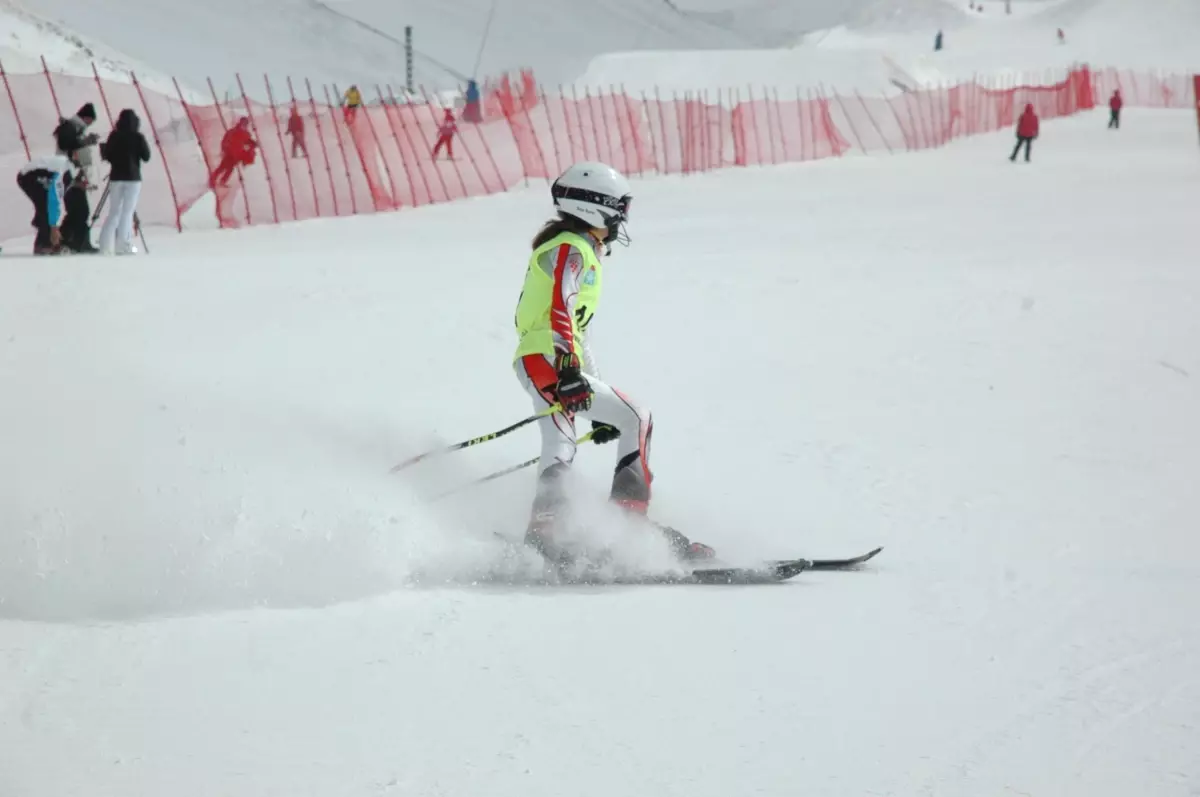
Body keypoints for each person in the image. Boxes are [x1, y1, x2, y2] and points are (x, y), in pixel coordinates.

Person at [511, 161, 715, 567]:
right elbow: (560, 307)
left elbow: (576, 330)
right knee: (595, 430)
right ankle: (565, 530)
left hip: (552, 358)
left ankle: (594, 526)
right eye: (619, 207)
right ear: (595, 207)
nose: (623, 217)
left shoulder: (580, 248)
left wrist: (587, 383)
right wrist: (569, 371)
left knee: (614, 423)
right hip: (547, 357)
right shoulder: (571, 247)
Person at [98, 108, 151, 255]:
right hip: (133, 178)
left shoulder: (114, 136)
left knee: (114, 212)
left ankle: (104, 245)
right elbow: (146, 156)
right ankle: (123, 245)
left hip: (116, 177)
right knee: (127, 212)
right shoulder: (138, 137)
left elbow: (107, 155)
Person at [16, 152, 78, 255]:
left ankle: (42, 228)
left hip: (35, 175)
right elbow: (54, 200)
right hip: (26, 177)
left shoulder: (67, 168)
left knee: (45, 206)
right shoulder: (63, 172)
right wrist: (54, 226)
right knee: (45, 208)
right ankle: (42, 244)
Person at [210, 117, 257, 187]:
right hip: (229, 153)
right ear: (240, 123)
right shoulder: (232, 131)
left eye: (245, 124)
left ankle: (222, 181)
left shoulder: (246, 134)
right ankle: (212, 180)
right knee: (222, 167)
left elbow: (248, 141)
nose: (244, 126)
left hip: (237, 154)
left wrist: (254, 143)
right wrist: (224, 149)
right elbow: (224, 140)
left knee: (230, 169)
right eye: (243, 124)